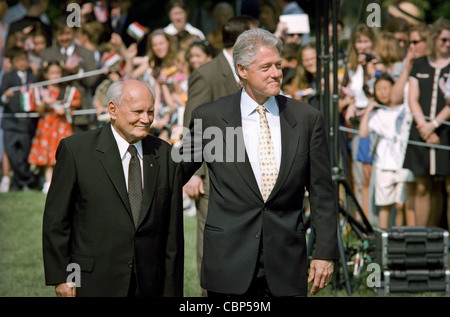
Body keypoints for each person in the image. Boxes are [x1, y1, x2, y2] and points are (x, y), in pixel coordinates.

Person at [179, 28, 337, 297]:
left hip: (286, 264)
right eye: (266, 67)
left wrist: (324, 252)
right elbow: (174, 173)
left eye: (278, 65)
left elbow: (322, 192)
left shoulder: (307, 119)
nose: (276, 73)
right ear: (242, 70)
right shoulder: (212, 118)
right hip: (228, 263)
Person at [42, 79, 184, 297]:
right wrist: (64, 277)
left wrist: (171, 290)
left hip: (149, 285)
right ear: (112, 109)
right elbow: (57, 220)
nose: (145, 119)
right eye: (137, 111)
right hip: (92, 282)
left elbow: (172, 235)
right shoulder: (76, 151)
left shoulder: (165, 155)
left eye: (150, 112)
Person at [182, 15, 259, 296]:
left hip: (249, 175)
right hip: (212, 176)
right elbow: (193, 125)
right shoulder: (208, 73)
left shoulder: (253, 71)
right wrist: (195, 174)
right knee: (210, 243)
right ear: (243, 40)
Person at [403, 17, 450, 227]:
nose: (447, 44)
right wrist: (423, 126)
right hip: (419, 130)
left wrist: (434, 126)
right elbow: (412, 98)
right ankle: (421, 237)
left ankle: (442, 239)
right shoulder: (420, 64)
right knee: (422, 186)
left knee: (446, 186)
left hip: (444, 132)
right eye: (443, 39)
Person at [359, 74, 412, 228]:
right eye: (378, 89)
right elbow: (363, 133)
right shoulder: (377, 114)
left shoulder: (404, 109)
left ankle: (398, 237)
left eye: (386, 88)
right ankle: (384, 238)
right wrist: (369, 108)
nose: (382, 92)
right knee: (385, 205)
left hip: (402, 164)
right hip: (383, 165)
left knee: (401, 205)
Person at [28, 62, 81, 194]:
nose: (55, 76)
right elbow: (38, 111)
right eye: (52, 73)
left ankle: (64, 184)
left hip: (62, 127)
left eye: (57, 73)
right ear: (46, 75)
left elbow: (73, 107)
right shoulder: (41, 91)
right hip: (47, 127)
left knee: (63, 155)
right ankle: (48, 182)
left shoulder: (67, 91)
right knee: (48, 156)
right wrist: (45, 103)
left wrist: (64, 110)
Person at [40, 16, 99, 133]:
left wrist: (77, 72)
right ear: (55, 34)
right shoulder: (47, 54)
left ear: (74, 33)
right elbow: (42, 81)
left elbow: (92, 81)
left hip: (79, 114)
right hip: (54, 115)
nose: (64, 38)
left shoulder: (87, 54)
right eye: (60, 34)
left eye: (68, 33)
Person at [0, 46, 38, 192]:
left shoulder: (33, 77)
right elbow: (1, 97)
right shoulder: (7, 76)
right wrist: (6, 96)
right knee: (10, 151)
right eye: (18, 60)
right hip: (10, 122)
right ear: (12, 62)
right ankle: (28, 179)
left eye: (24, 60)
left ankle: (19, 182)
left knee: (24, 153)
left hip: (26, 122)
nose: (22, 63)